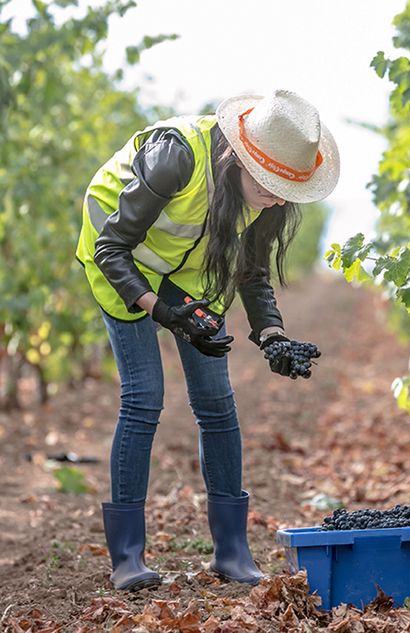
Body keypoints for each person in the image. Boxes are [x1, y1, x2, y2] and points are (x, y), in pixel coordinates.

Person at [75, 90, 340, 591]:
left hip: (187, 272)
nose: (278, 196)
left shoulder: (266, 199)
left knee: (217, 402)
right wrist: (165, 314)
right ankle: (127, 558)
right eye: (271, 183)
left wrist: (273, 336)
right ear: (238, 158)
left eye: (288, 187)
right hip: (120, 261)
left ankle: (232, 551)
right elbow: (113, 247)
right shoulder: (177, 157)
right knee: (144, 398)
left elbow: (252, 272)